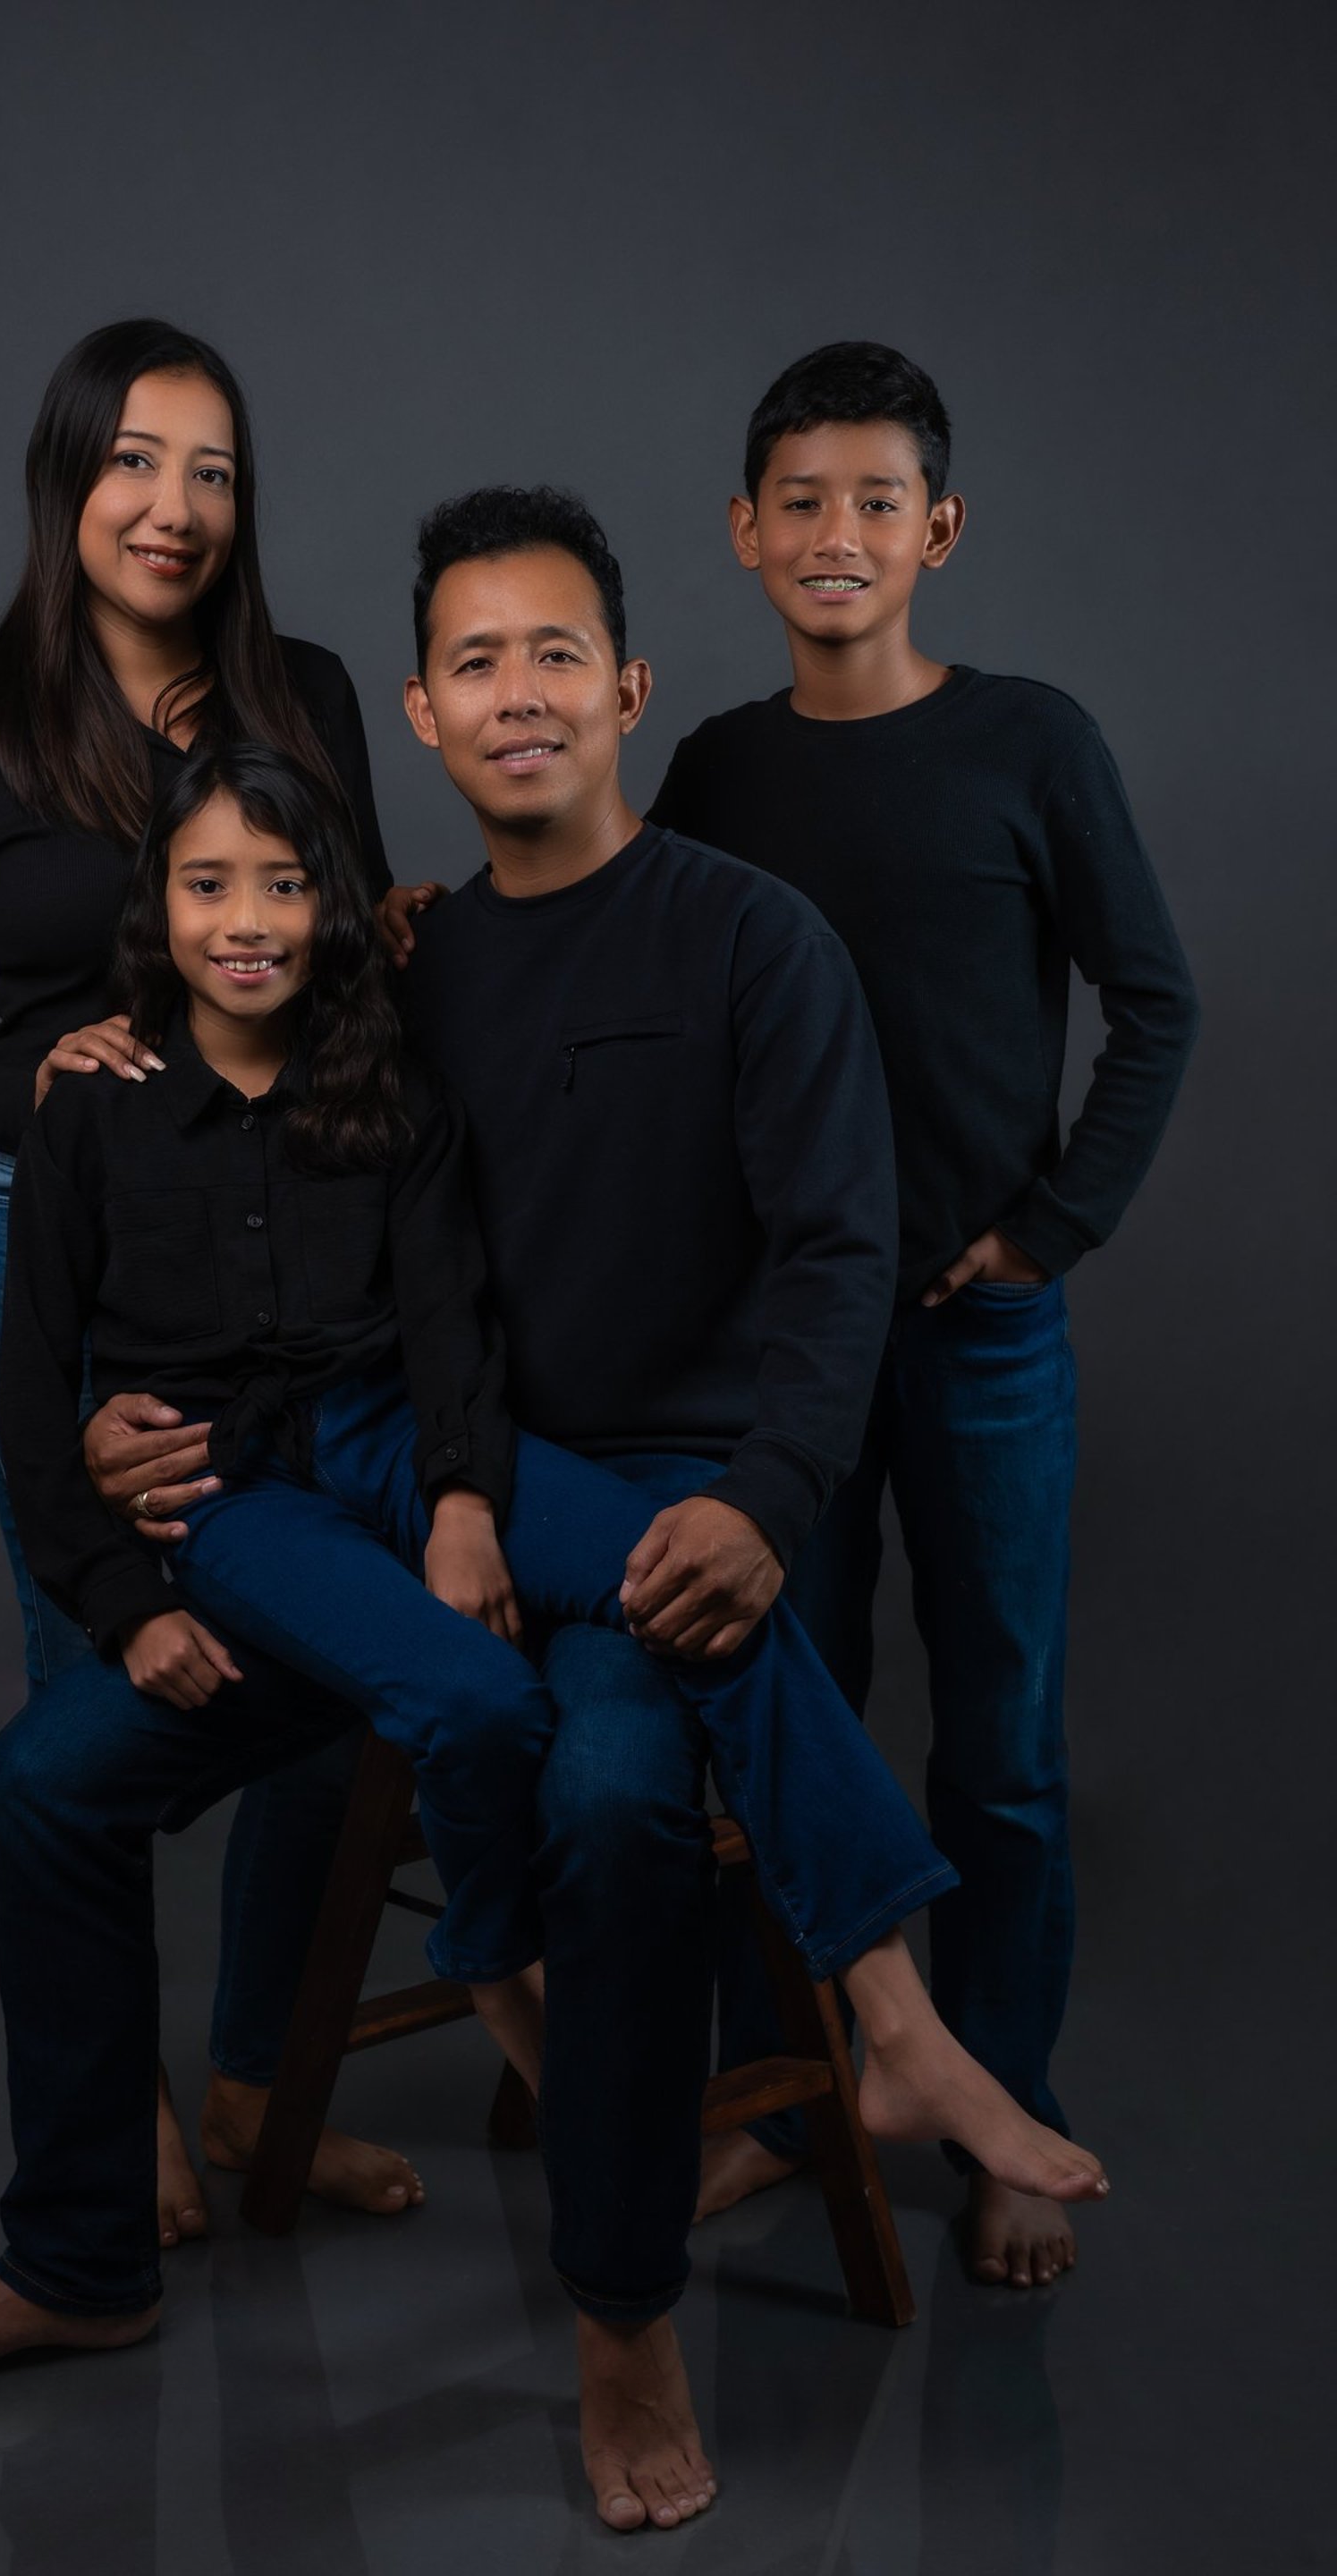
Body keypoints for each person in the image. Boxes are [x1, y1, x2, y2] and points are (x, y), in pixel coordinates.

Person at [0, 737, 1109, 2538]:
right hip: (249, 1519)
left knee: (699, 1567)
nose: (249, 920)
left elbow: (448, 1324)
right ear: (155, 913)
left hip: (416, 1461)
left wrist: (454, 1496)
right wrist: (122, 1602)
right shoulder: (90, 1105)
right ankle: (86, 2249)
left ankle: (892, 2014)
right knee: (66, 1779)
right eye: (206, 888)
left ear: (344, 912)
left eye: (285, 888)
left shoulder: (390, 1074)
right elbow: (45, 1409)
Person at [0, 316, 427, 2240]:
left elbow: (361, 979)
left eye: (214, 471)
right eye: (137, 461)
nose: (174, 508)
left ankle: (259, 2082)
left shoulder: (305, 690)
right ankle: (119, 2126)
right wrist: (37, 1088)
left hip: (299, 1228)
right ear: (68, 478)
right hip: (52, 1245)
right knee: (99, 1663)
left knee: (329, 1661)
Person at [649, 341, 1199, 2290]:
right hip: (781, 1336)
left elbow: (1157, 1005)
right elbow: (659, 999)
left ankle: (1003, 2113)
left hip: (979, 1329)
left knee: (1003, 1739)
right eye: (798, 500)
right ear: (742, 530)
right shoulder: (714, 767)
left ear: (939, 531)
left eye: (877, 503)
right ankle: (785, 2101)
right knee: (777, 1710)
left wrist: (1053, 1229)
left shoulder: (1031, 742)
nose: (835, 535)